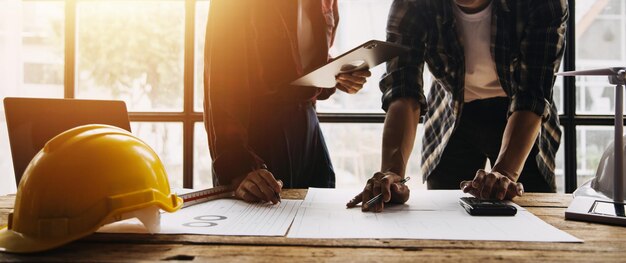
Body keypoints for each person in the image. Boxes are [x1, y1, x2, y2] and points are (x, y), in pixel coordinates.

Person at [347, 0, 568, 212]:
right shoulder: (412, 3)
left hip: (523, 121)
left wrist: (505, 173)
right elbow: (403, 89)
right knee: (444, 216)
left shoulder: (543, 2)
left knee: (529, 211)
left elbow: (532, 94)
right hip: (452, 114)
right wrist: (392, 172)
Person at [204, 0, 371, 204]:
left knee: (318, 223)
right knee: (258, 225)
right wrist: (238, 167)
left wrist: (337, 76)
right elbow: (222, 81)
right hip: (256, 133)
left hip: (308, 129)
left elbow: (302, 65)